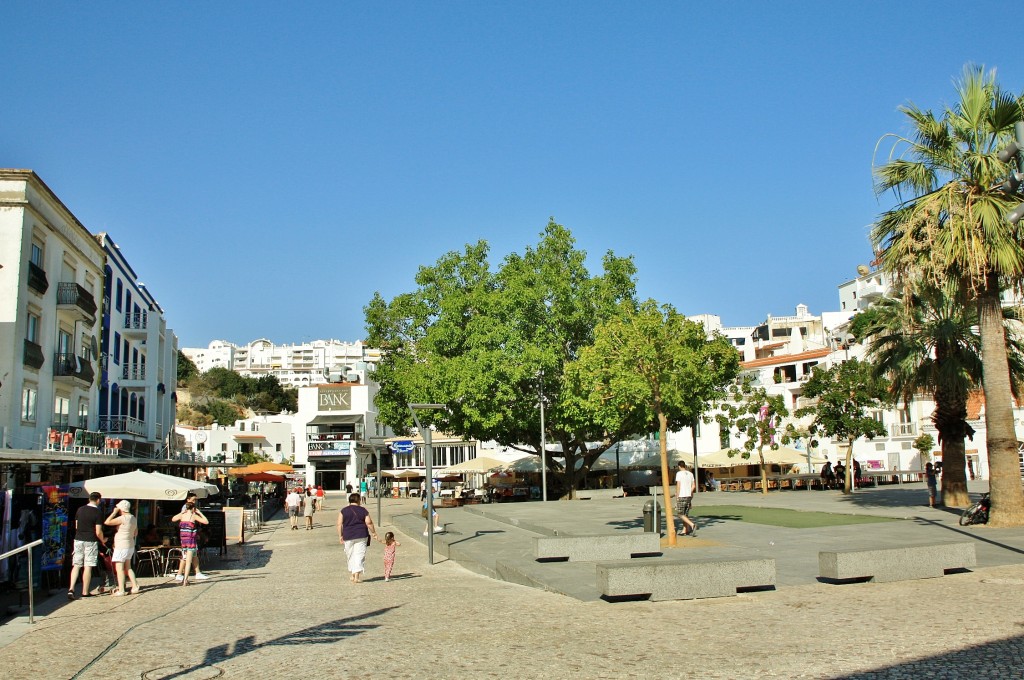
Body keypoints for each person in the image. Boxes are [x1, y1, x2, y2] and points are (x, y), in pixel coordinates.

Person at [68, 492, 107, 600]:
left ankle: (71, 589)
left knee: (76, 565)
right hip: (90, 540)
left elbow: (76, 525)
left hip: (78, 539)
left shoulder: (80, 509)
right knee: (88, 566)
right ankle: (85, 591)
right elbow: (98, 531)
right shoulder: (98, 512)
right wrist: (103, 540)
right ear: (98, 500)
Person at [337, 492, 378, 584]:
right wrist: (374, 532)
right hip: (361, 534)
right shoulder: (363, 510)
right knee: (359, 554)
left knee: (350, 554)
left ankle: (352, 574)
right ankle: (356, 576)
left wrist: (340, 536)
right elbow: (369, 522)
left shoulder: (343, 510)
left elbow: (339, 524)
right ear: (358, 500)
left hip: (348, 536)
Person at [104, 500, 140, 596]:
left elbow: (107, 522)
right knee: (128, 567)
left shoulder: (123, 518)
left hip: (121, 545)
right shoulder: (133, 518)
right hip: (130, 545)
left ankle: (121, 590)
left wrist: (114, 513)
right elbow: (135, 533)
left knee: (119, 568)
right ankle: (135, 586)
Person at [172, 499, 209, 586]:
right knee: (188, 561)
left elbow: (173, 519)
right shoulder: (193, 516)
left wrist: (182, 513)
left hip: (183, 541)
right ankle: (185, 580)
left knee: (185, 559)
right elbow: (206, 521)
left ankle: (183, 578)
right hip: (191, 541)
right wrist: (200, 513)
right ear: (193, 509)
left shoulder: (182, 515)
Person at [674, 461, 697, 536]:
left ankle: (692, 525)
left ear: (679, 466)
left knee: (680, 514)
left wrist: (677, 495)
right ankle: (685, 530)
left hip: (682, 495)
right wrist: (689, 491)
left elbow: (678, 485)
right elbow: (694, 485)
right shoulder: (690, 474)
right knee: (685, 514)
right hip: (689, 495)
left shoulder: (679, 474)